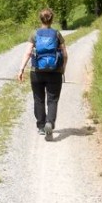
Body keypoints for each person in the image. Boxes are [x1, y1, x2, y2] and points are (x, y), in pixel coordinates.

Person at [17, 8, 67, 141]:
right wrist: (63, 68)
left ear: (40, 19)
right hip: (54, 71)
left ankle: (41, 126)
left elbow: (28, 52)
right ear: (52, 19)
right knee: (52, 99)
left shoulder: (35, 34)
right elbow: (65, 54)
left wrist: (21, 69)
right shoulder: (56, 34)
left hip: (36, 72)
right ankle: (49, 123)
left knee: (38, 98)